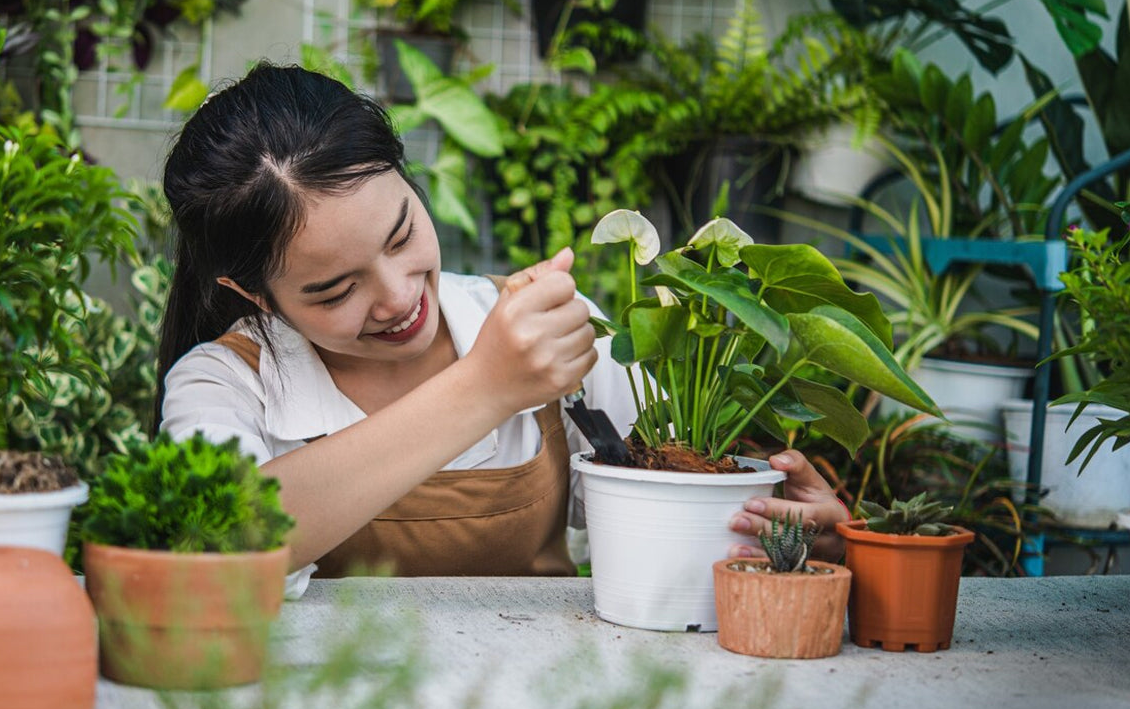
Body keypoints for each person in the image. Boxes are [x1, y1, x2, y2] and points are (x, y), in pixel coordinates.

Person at [155, 62, 849, 596]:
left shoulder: (531, 330)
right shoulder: (222, 383)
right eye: (336, 288)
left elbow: (674, 523)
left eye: (401, 236)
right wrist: (484, 387)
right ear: (253, 294)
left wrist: (798, 534)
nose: (398, 298)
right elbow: (220, 551)